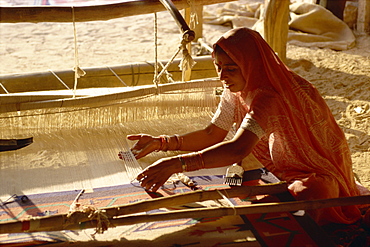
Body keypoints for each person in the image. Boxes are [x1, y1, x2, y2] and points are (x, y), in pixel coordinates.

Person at [120, 27, 362, 226]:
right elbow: (212, 133)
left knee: (311, 192)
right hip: (285, 166)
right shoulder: (235, 90)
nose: (223, 76)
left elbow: (238, 149)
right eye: (219, 67)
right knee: (254, 179)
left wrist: (177, 163)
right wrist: (162, 143)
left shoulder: (270, 95)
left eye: (231, 68)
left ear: (252, 65)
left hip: (318, 170)